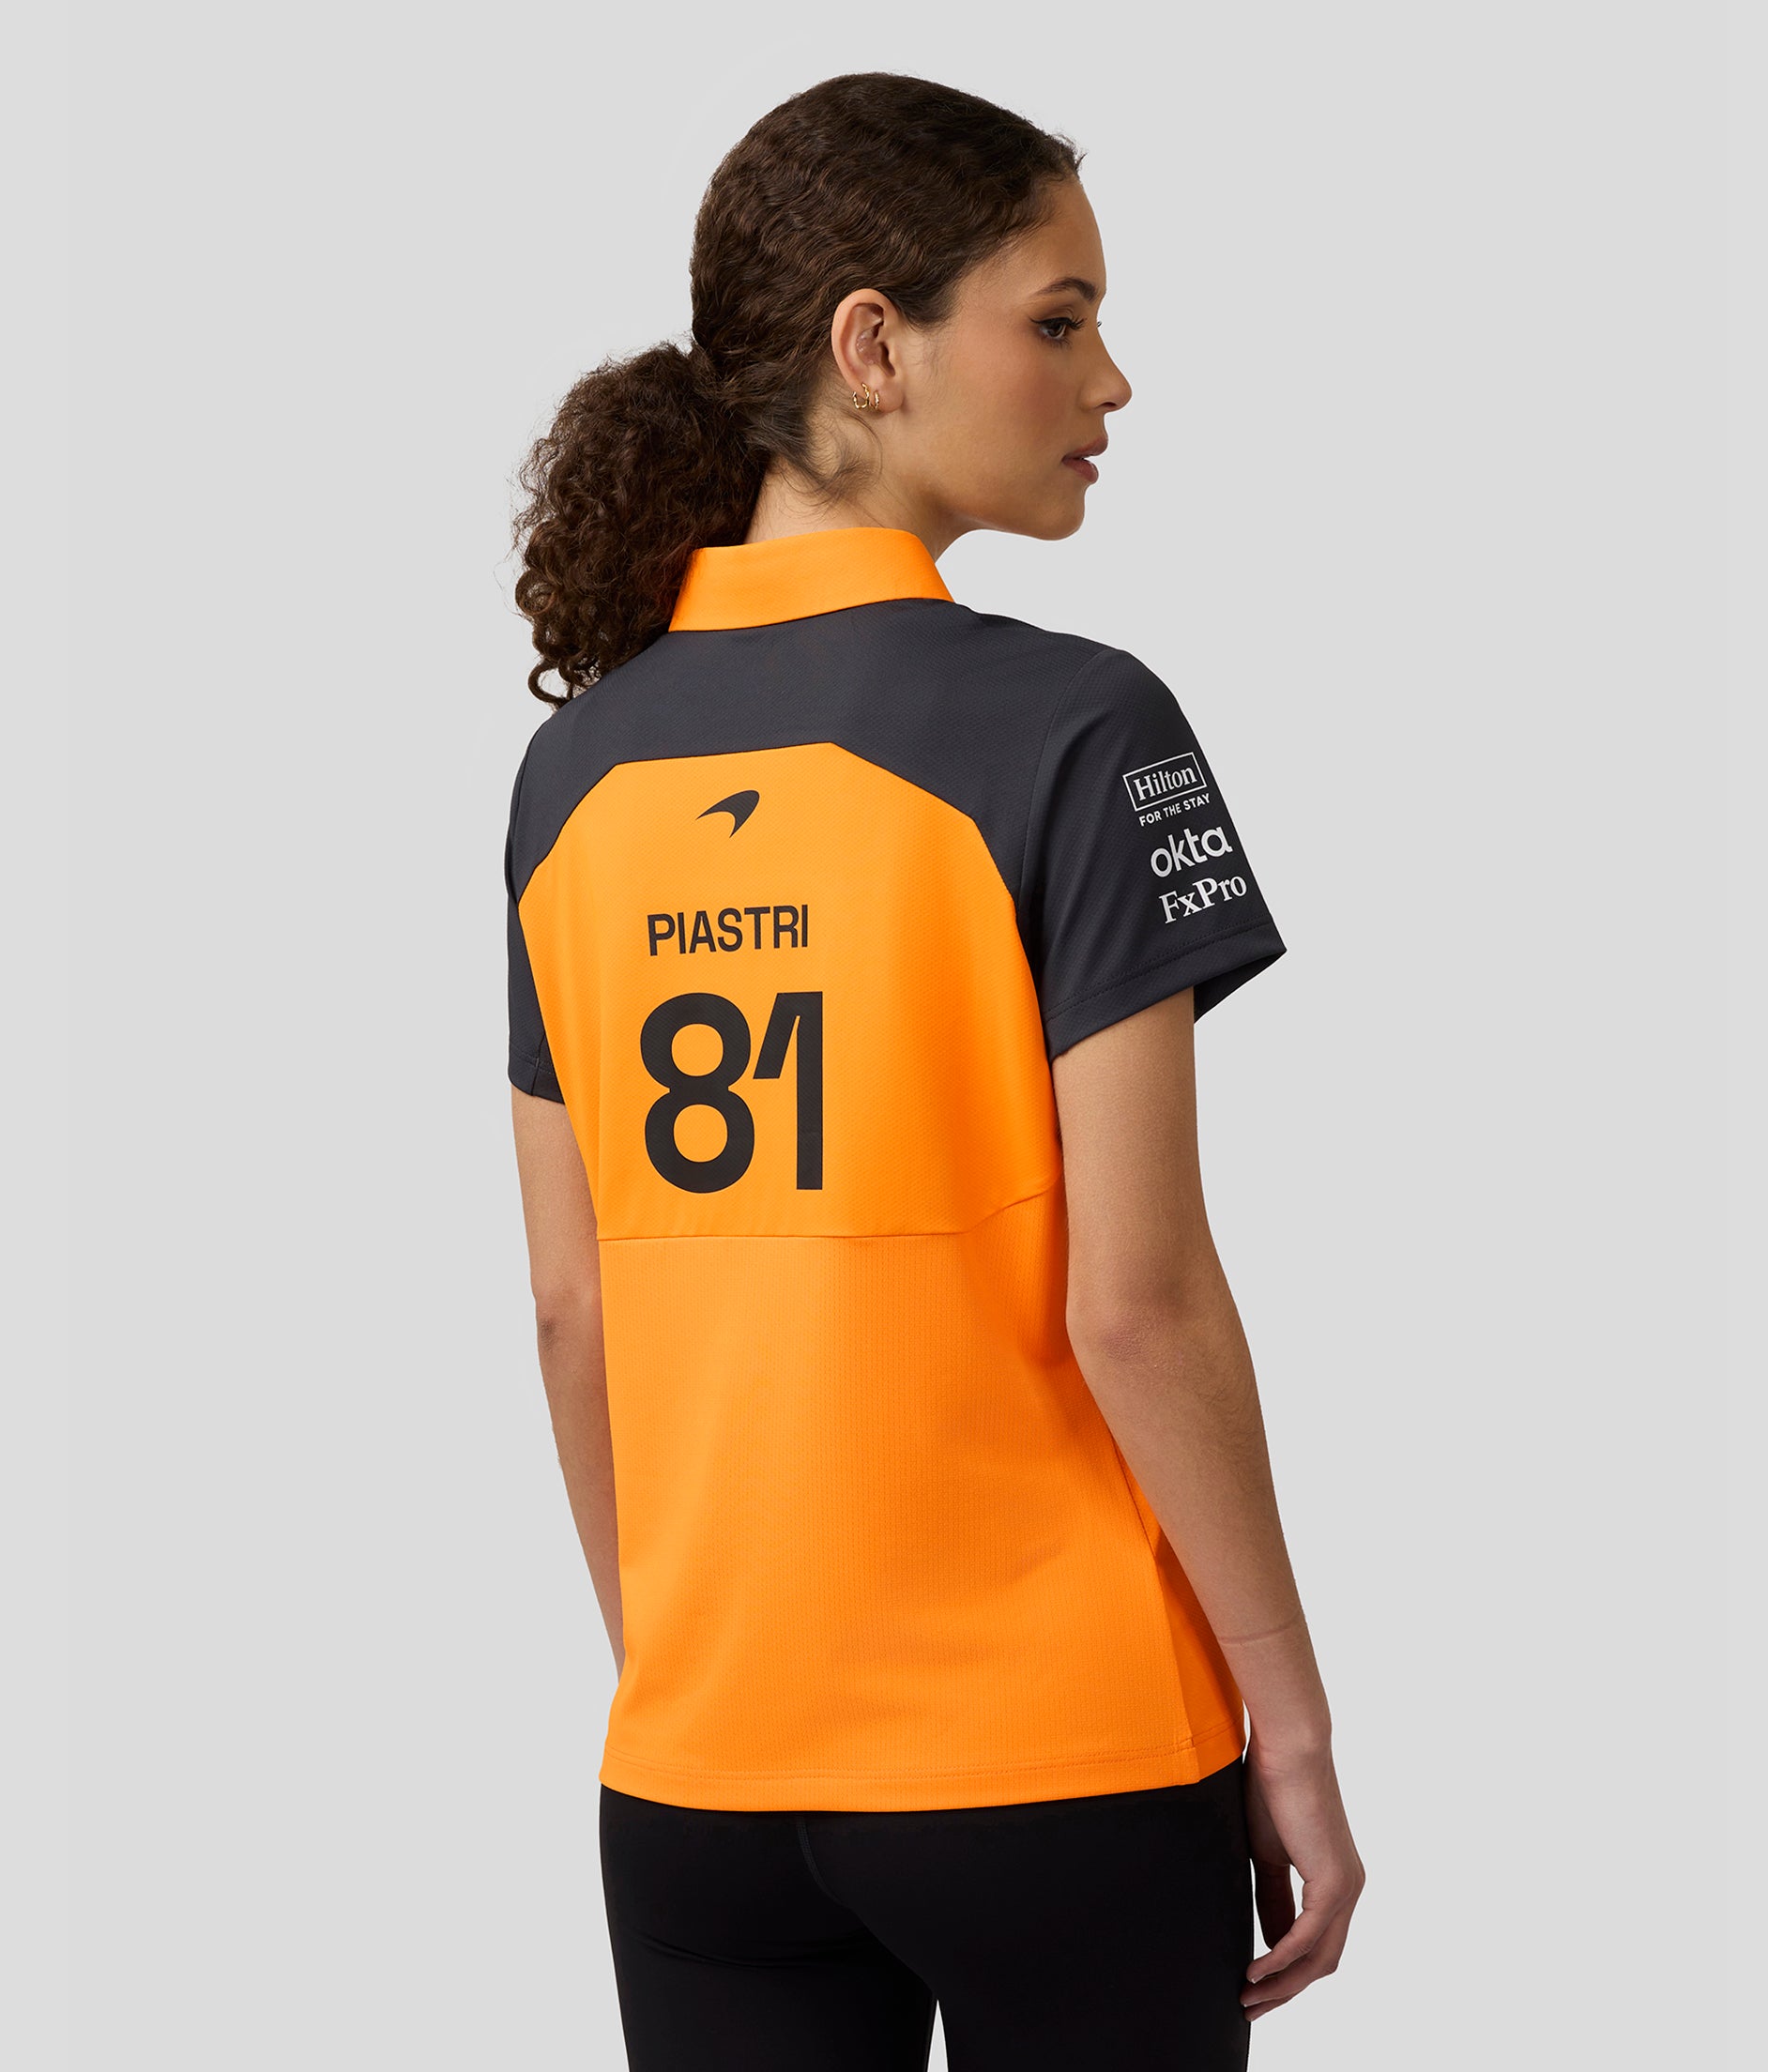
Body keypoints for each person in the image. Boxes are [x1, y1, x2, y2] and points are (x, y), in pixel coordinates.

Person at [505, 70, 1364, 2071]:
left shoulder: (574, 771)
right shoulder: (1080, 729)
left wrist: (692, 1688)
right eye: (1058, 319)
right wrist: (1294, 1720)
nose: (1110, 380)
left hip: (701, 1778)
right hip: (1057, 1760)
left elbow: (573, 1309)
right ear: (873, 349)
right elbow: (1140, 1305)